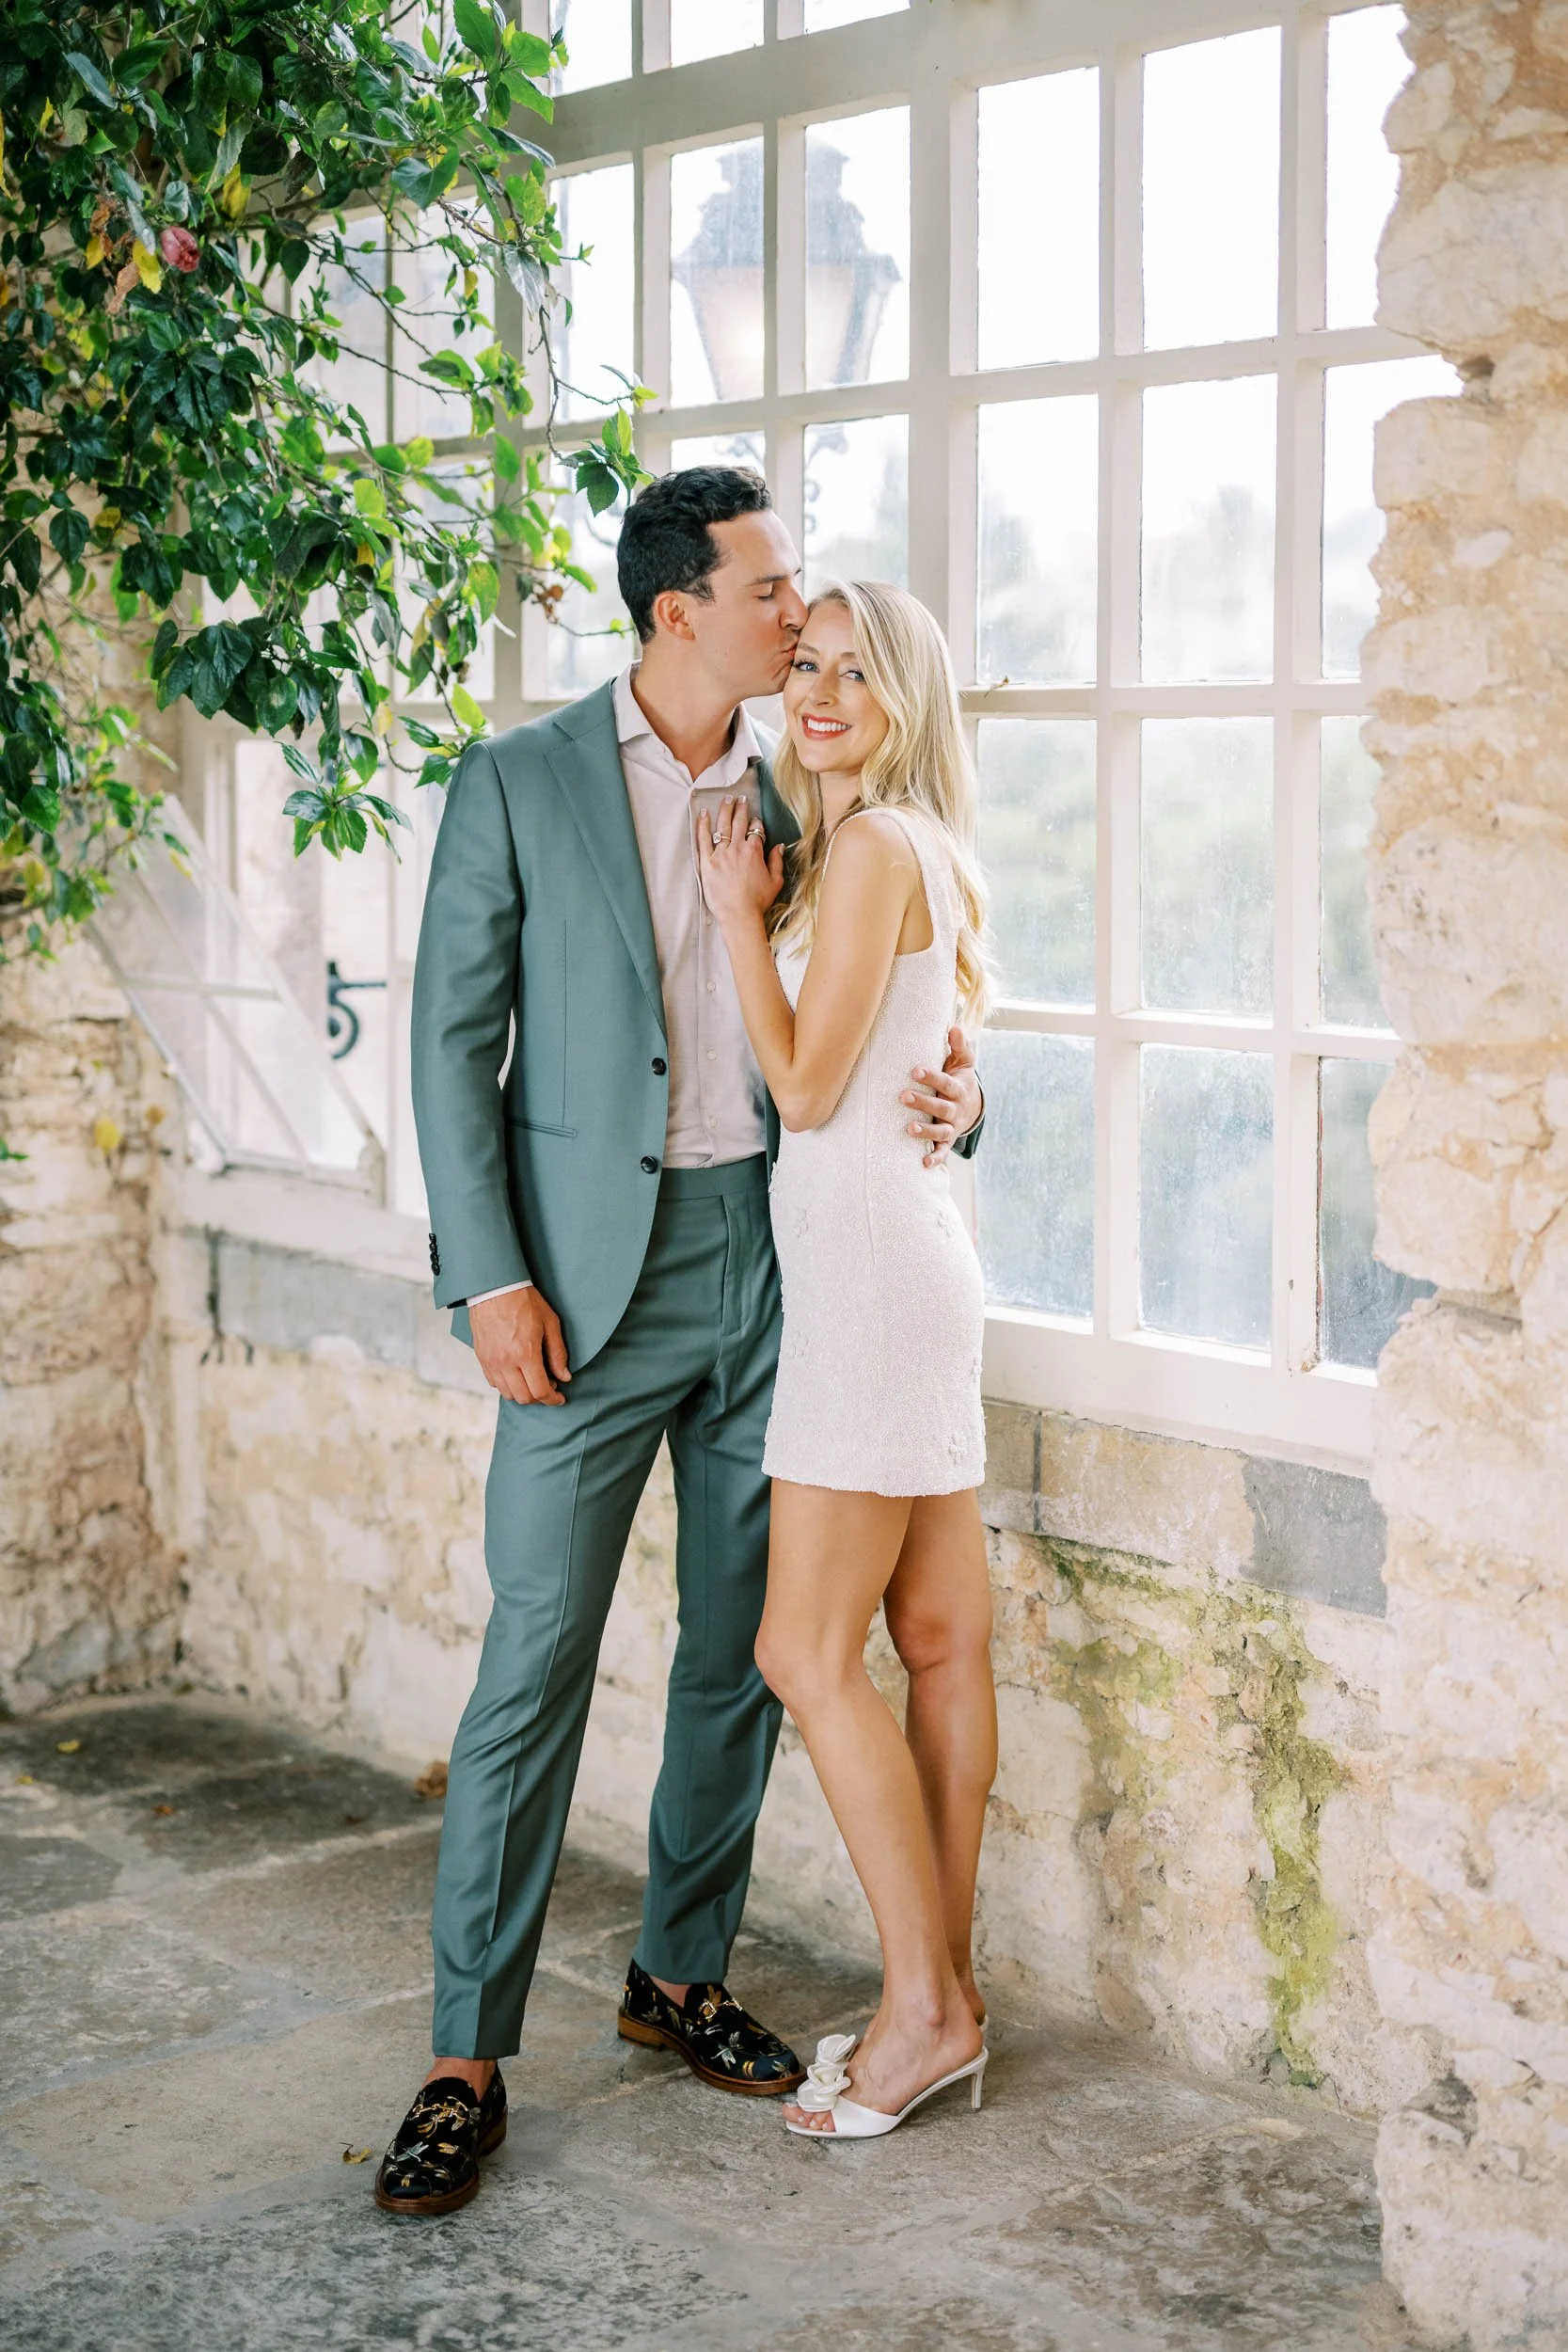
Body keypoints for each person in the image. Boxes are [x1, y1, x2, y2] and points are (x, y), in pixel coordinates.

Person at [375, 471, 985, 2215]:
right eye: (770, 587)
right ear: (675, 613)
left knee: (743, 1647)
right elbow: (448, 1045)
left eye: (801, 592)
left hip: (778, 1265)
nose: (799, 617)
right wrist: (487, 1275)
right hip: (577, 1282)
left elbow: (897, 1000)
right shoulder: (519, 782)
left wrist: (967, 1094)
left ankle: (677, 1973)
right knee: (536, 1653)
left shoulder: (813, 783)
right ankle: (460, 2054)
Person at [697, 580, 997, 2142]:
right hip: (906, 1262)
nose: (817, 694)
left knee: (802, 1655)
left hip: (873, 1282)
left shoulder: (873, 846)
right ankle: (941, 1989)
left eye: (853, 673)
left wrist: (742, 923)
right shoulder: (898, 848)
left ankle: (925, 2012)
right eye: (802, 666)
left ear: (906, 697)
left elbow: (807, 1090)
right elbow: (900, 1065)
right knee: (937, 1642)